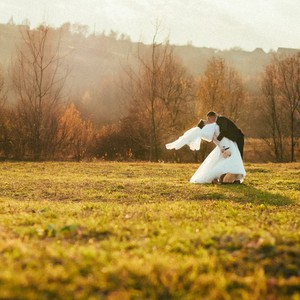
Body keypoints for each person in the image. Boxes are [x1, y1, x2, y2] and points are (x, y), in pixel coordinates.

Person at [166, 120, 246, 184]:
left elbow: (220, 140)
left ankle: (229, 178)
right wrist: (223, 149)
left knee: (227, 162)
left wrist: (225, 149)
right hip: (226, 147)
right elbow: (218, 141)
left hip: (227, 146)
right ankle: (227, 178)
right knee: (228, 162)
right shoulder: (213, 129)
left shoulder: (214, 128)